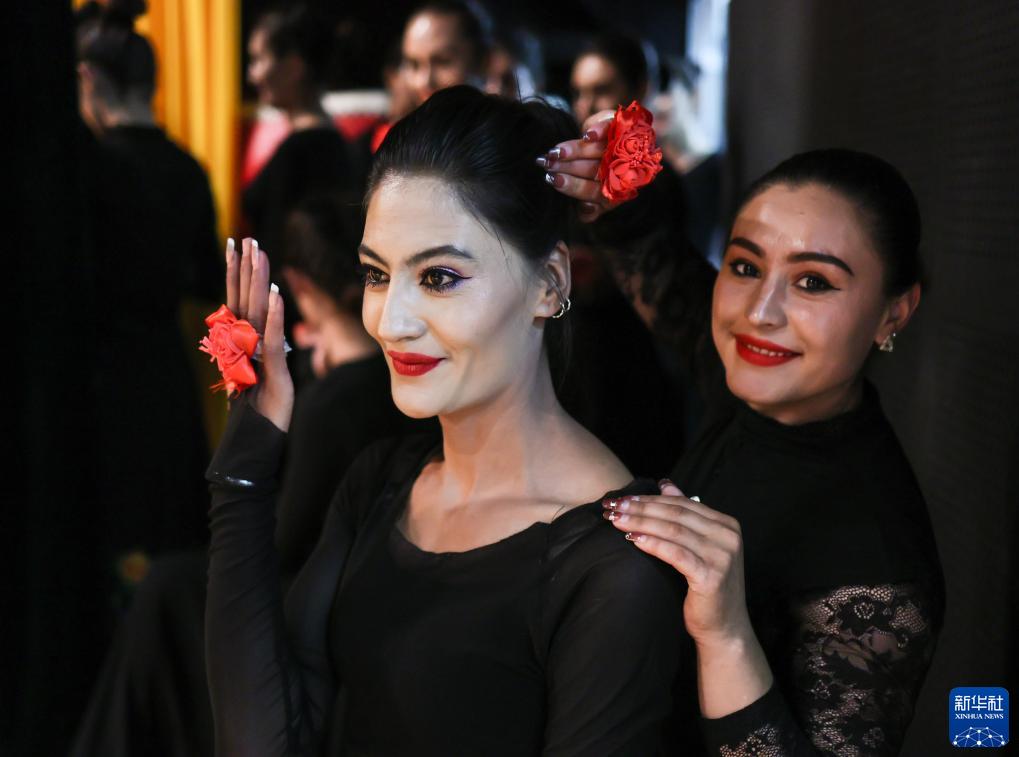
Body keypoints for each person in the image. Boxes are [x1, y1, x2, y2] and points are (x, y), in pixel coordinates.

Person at [204, 86, 684, 754]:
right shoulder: (380, 483)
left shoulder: (613, 568)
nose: (390, 322)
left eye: (438, 278)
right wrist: (245, 467)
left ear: (549, 283)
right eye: (376, 275)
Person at [546, 133, 944, 754]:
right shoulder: (748, 384)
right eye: (745, 267)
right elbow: (657, 263)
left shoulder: (878, 565)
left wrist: (726, 635)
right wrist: (612, 173)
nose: (759, 313)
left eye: (813, 282)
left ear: (894, 312)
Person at [71, 195, 424, 757]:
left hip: (313, 593)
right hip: (341, 583)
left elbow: (284, 543)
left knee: (165, 590)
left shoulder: (330, 405)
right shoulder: (379, 386)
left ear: (298, 285)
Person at [242, 5, 359, 262]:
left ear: (294, 67)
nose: (252, 76)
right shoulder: (335, 144)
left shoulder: (301, 151)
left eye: (258, 60)